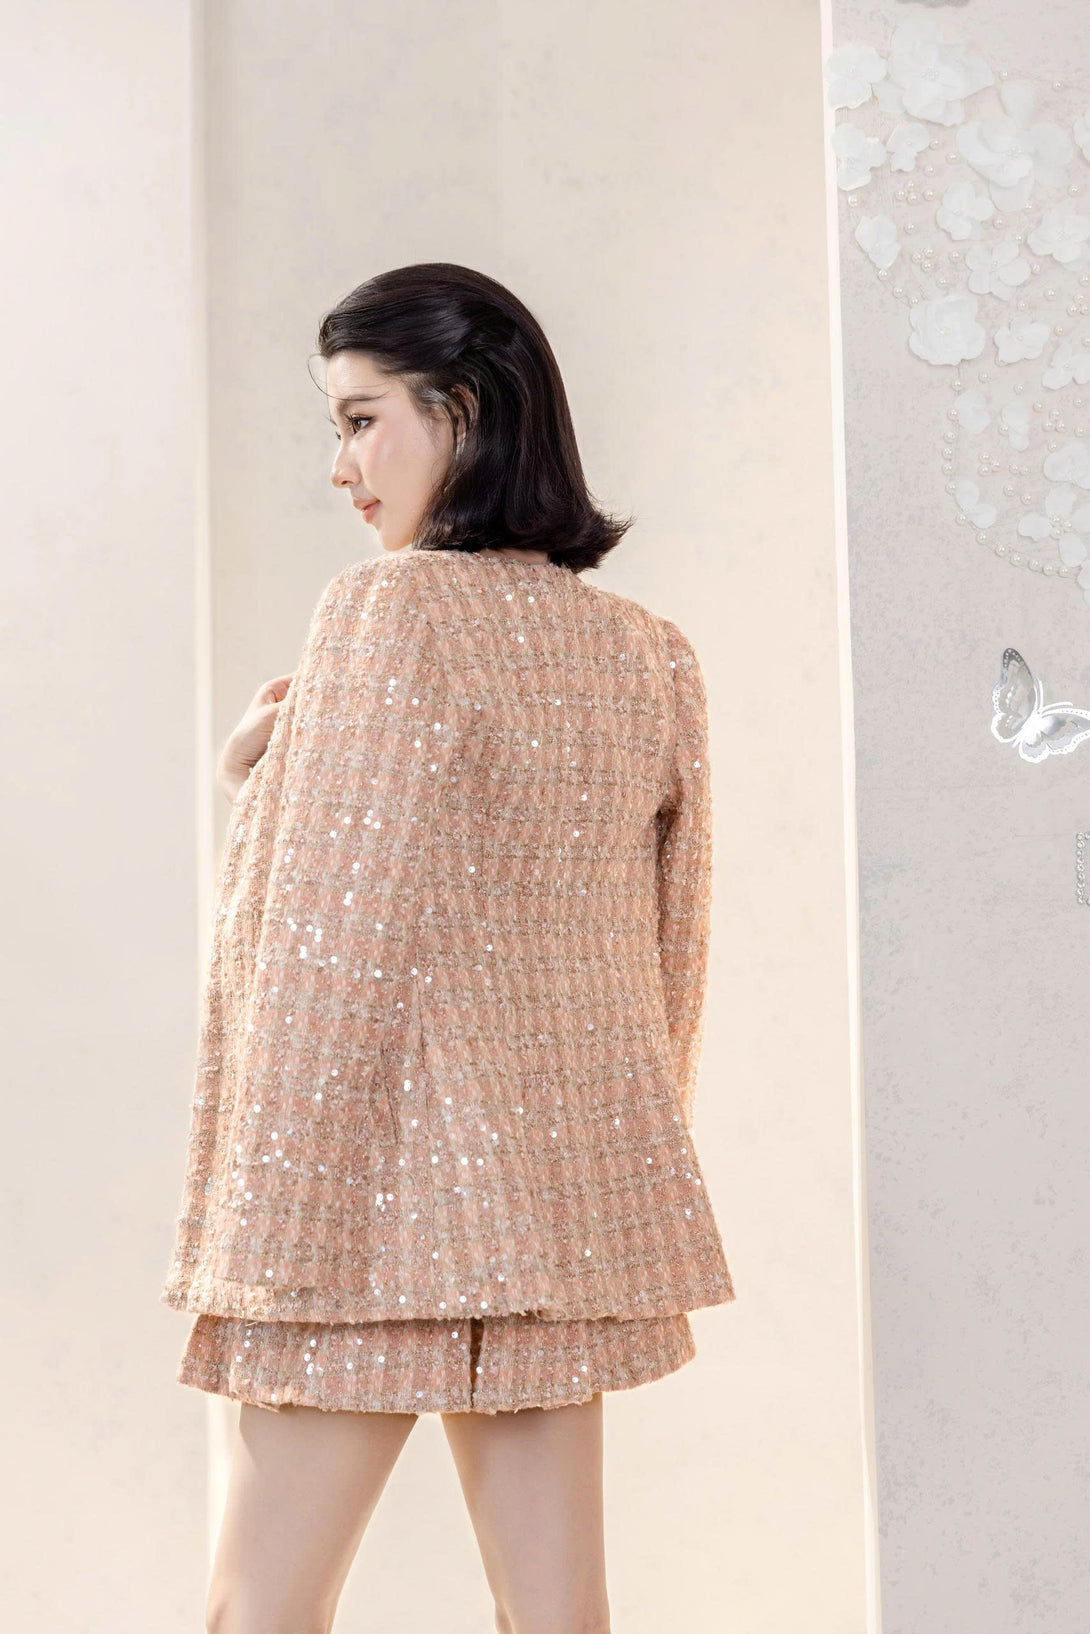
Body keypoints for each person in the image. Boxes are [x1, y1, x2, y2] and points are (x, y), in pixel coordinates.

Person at [162, 262, 736, 1634]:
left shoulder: (385, 612)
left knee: (258, 1615)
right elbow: (670, 948)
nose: (342, 467)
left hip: (357, 1218)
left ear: (463, 410)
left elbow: (313, 941)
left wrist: (251, 790)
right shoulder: (648, 655)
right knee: (560, 1619)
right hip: (561, 1209)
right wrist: (612, 1161)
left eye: (362, 420)